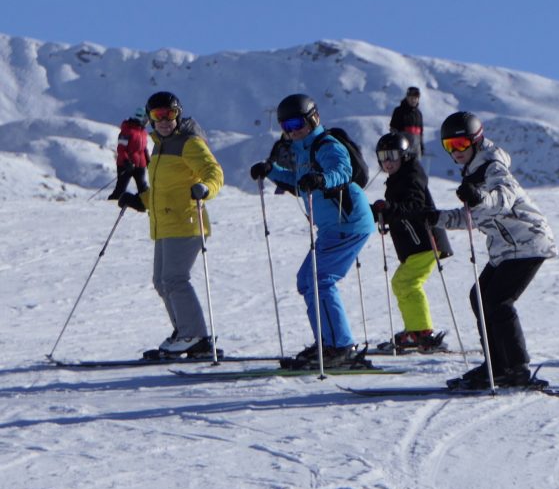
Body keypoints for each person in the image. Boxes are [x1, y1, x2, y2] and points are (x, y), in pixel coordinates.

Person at [425, 111, 556, 389]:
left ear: (476, 141)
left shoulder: (493, 166)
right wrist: (436, 218)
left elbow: (503, 198)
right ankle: (496, 365)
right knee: (480, 297)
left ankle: (517, 368)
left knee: (498, 301)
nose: (456, 151)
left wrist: (479, 197)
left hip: (529, 241)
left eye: (461, 144)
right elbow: (472, 217)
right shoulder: (472, 172)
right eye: (450, 146)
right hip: (506, 248)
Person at [249, 93, 375, 369]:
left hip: (348, 222)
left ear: (313, 119)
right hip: (332, 227)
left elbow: (343, 171)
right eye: (286, 127)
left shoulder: (327, 144)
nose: (292, 131)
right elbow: (299, 182)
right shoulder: (302, 149)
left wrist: (322, 179)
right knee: (307, 281)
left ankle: (340, 346)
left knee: (320, 280)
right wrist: (270, 170)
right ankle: (328, 343)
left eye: (297, 124)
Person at [117, 92, 224, 359]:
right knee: (162, 282)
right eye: (158, 116)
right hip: (164, 224)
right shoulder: (159, 145)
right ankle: (185, 333)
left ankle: (194, 335)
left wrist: (205, 189)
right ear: (150, 118)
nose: (164, 121)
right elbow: (163, 189)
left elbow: (214, 172)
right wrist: (141, 201)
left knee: (175, 279)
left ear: (178, 114)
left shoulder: (190, 142)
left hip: (186, 222)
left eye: (170, 115)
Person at [370, 132, 454, 352]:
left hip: (426, 240)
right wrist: (380, 212)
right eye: (383, 157)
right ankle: (415, 330)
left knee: (407, 283)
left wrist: (390, 209)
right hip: (414, 244)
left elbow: (415, 205)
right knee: (402, 283)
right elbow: (398, 210)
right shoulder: (398, 178)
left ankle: (423, 333)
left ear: (404, 155)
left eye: (392, 155)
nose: (387, 162)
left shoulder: (412, 176)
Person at [108, 107, 150, 200]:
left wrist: (148, 160)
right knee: (120, 189)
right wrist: (126, 161)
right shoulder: (127, 130)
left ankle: (145, 204)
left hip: (140, 165)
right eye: (147, 119)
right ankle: (109, 204)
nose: (148, 122)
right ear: (142, 118)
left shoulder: (143, 132)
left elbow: (143, 148)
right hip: (126, 165)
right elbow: (121, 149)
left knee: (143, 188)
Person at [389, 86, 424, 157]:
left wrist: (421, 146)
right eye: (411, 98)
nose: (413, 100)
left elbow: (420, 133)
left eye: (415, 98)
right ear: (407, 98)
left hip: (416, 151)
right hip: (402, 150)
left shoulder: (418, 114)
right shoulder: (399, 111)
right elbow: (393, 130)